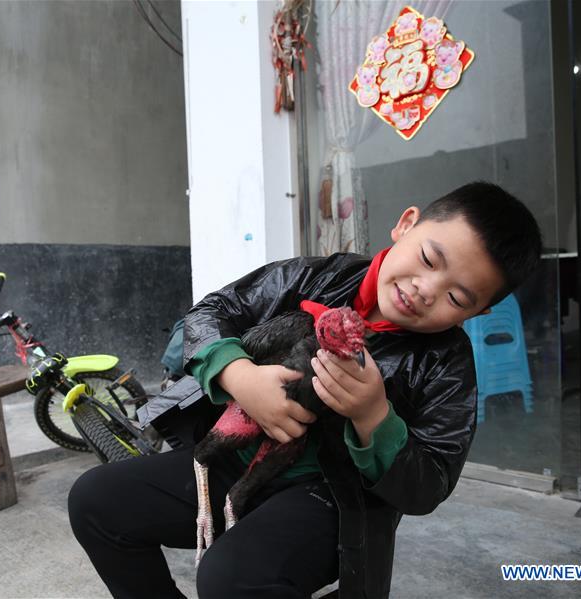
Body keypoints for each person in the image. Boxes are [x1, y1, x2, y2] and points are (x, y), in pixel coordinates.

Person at [68, 181, 543, 598]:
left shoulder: (448, 366)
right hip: (235, 461)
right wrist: (239, 375)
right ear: (406, 224)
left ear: (475, 314)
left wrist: (374, 416)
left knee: (231, 578)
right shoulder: (317, 276)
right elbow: (212, 311)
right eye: (428, 259)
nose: (425, 289)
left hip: (333, 499)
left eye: (457, 296)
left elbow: (428, 486)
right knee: (97, 501)